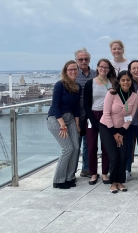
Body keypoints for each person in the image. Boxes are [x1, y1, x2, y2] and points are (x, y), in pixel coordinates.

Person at [99, 71, 138, 193]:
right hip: (107, 128)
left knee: (123, 156)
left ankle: (120, 181)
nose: (126, 82)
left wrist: (121, 132)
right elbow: (106, 114)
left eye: (128, 80)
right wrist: (114, 133)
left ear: (131, 81)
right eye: (123, 80)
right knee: (114, 156)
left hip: (123, 130)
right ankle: (113, 183)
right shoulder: (111, 93)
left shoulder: (134, 96)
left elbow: (130, 116)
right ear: (119, 82)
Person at [47, 60, 81, 189]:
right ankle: (58, 180)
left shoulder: (77, 87)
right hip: (56, 119)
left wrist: (77, 125)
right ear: (65, 72)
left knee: (76, 148)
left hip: (71, 119)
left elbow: (76, 108)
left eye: (75, 69)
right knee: (67, 149)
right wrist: (62, 125)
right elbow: (55, 107)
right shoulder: (59, 85)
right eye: (70, 69)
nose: (73, 71)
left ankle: (69, 176)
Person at [84, 59, 116, 185]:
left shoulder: (112, 82)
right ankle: (93, 173)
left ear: (109, 69)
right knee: (91, 147)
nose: (104, 69)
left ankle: (104, 173)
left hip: (108, 115)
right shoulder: (90, 83)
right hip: (93, 115)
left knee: (106, 146)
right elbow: (86, 104)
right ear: (97, 68)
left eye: (106, 67)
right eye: (101, 66)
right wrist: (92, 119)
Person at [75, 48, 96, 178]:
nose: (83, 61)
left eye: (86, 59)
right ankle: (71, 170)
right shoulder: (73, 74)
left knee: (89, 143)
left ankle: (87, 169)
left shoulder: (95, 74)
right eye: (81, 59)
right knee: (75, 144)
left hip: (90, 114)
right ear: (76, 60)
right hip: (75, 115)